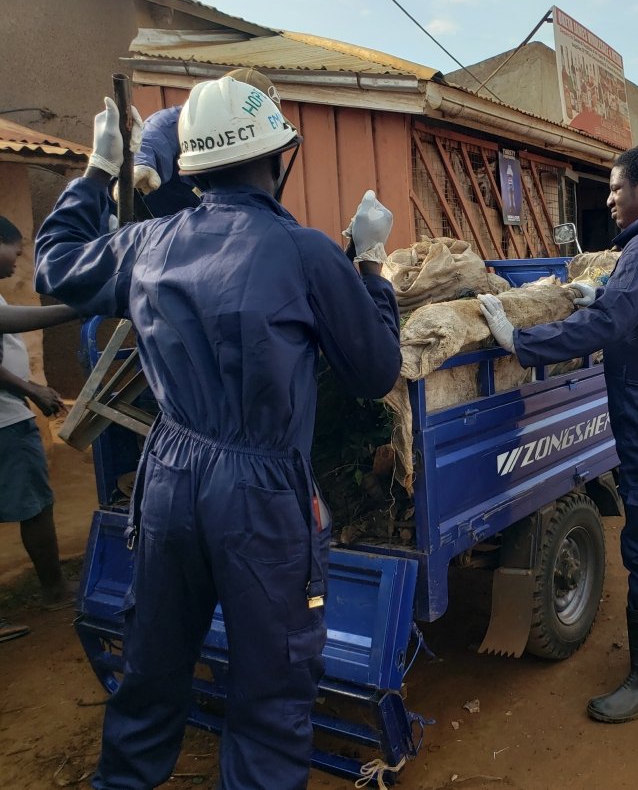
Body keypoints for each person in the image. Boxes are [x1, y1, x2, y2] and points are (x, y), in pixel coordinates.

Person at [35, 74, 402, 789]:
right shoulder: (305, 253)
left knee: (152, 667)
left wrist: (98, 170)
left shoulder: (147, 242)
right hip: (260, 498)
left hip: (169, 478)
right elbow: (375, 370)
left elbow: (55, 266)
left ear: (193, 169)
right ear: (275, 159)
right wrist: (369, 265)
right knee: (271, 691)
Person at [477, 146, 638, 724]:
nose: (609, 199)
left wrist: (519, 341)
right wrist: (603, 293)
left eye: (615, 188)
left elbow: (611, 324)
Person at [0, 217, 81, 642]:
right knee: (35, 504)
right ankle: (54, 589)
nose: (19, 256)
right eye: (14, 247)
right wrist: (80, 308)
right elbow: (11, 320)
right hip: (5, 422)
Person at [131, 68, 281, 218]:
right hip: (159, 223)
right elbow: (151, 139)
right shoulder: (180, 123)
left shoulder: (267, 159)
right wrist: (141, 163)